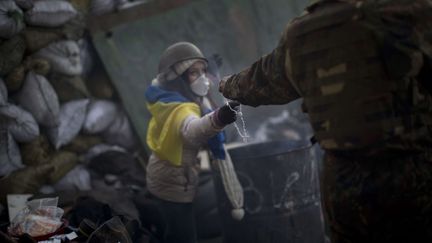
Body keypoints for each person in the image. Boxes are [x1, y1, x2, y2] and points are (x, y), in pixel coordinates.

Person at [219, 0, 432, 242]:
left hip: (344, 184)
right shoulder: (402, 11)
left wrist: (227, 85)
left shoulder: (301, 32)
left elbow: (263, 80)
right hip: (411, 175)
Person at [144, 42, 239, 243]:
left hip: (174, 175)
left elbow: (204, 97)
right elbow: (193, 130)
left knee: (179, 231)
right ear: (178, 79)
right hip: (172, 183)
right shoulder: (180, 109)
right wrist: (218, 119)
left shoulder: (168, 95)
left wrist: (212, 74)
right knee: (184, 237)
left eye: (203, 71)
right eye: (194, 73)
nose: (203, 79)